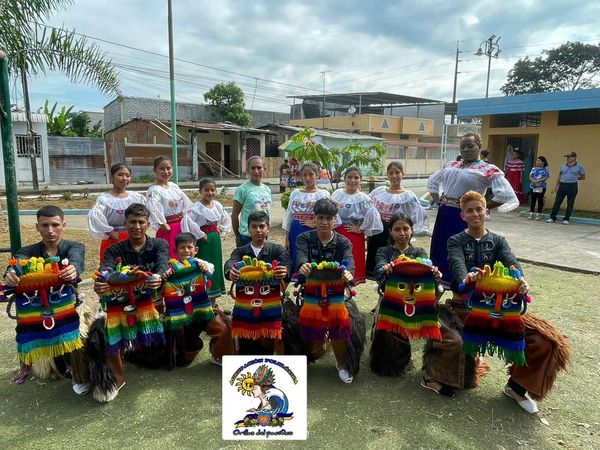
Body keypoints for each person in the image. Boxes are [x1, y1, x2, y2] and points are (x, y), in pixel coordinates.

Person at [422, 191, 570, 413]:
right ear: (462, 215)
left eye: (479, 209)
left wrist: (520, 280)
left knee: (544, 341)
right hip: (463, 310)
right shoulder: (455, 241)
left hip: (500, 310)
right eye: (469, 210)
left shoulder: (499, 241)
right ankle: (433, 376)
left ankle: (516, 387)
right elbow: (456, 263)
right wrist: (467, 279)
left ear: (487, 212)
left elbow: (512, 263)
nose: (475, 214)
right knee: (455, 341)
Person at [3, 205, 88, 391]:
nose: (50, 230)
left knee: (78, 334)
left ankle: (78, 370)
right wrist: (11, 273)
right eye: (45, 225)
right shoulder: (27, 251)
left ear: (63, 226)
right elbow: (16, 264)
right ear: (37, 227)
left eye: (55, 225)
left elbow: (76, 262)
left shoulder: (75, 246)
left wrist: (73, 269)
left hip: (69, 308)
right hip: (37, 309)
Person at [91, 203, 168, 402]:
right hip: (121, 306)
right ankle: (116, 377)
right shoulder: (113, 250)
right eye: (132, 222)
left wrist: (159, 277)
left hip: (153, 305)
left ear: (148, 224)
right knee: (104, 331)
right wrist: (100, 283)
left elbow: (163, 265)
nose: (137, 226)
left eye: (141, 222)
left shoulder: (159, 244)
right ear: (125, 223)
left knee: (163, 358)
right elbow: (105, 270)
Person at [427, 132, 519, 288]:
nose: (466, 149)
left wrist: (479, 208)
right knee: (440, 250)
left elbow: (505, 194)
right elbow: (433, 182)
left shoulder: (488, 169)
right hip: (444, 215)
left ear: (479, 147)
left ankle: (462, 289)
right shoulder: (451, 165)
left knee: (462, 253)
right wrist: (437, 200)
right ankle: (437, 287)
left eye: (470, 146)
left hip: (465, 218)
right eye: (463, 147)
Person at [292, 198, 366, 384]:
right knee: (308, 334)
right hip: (310, 294)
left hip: (337, 295)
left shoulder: (344, 242)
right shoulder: (303, 238)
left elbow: (350, 263)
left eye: (329, 218)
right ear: (315, 219)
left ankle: (342, 363)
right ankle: (314, 349)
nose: (325, 222)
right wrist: (302, 266)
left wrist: (349, 274)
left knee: (340, 325)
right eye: (321, 218)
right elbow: (300, 259)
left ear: (335, 220)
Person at [370, 213, 441, 377]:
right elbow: (378, 270)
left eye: (405, 229)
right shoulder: (384, 251)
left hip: (413, 301)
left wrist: (434, 273)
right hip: (389, 299)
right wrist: (386, 269)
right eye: (397, 229)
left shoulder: (419, 252)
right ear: (390, 232)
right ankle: (382, 363)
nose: (402, 233)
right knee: (384, 330)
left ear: (412, 230)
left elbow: (427, 270)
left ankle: (402, 361)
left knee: (403, 330)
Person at [161, 232, 234, 368]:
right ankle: (189, 349)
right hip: (182, 314)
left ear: (196, 250)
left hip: (203, 310)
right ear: (175, 251)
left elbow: (210, 270)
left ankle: (219, 354)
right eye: (182, 248)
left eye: (189, 247)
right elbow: (163, 285)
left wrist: (205, 269)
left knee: (223, 330)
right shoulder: (171, 269)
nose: (186, 251)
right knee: (186, 353)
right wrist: (164, 277)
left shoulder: (202, 264)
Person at [224, 211, 292, 355]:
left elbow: (287, 264)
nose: (258, 230)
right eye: (254, 226)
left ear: (268, 228)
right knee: (246, 345)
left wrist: (284, 271)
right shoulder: (240, 251)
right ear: (248, 229)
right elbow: (230, 262)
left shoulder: (278, 250)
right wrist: (230, 271)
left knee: (273, 342)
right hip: (246, 308)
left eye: (262, 226)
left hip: (271, 307)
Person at [366, 162, 428, 279]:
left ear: (402, 174)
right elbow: (366, 206)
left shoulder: (408, 196)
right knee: (379, 261)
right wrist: (362, 225)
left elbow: (418, 214)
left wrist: (406, 228)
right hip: (379, 231)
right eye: (391, 173)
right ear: (387, 175)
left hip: (397, 231)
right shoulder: (379, 191)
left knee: (396, 258)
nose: (394, 176)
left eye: (397, 172)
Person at [331, 167, 383, 284]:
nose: (353, 180)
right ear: (344, 179)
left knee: (351, 264)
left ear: (360, 180)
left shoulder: (363, 198)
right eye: (349, 177)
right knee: (336, 262)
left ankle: (349, 292)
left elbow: (373, 214)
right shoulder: (337, 194)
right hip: (336, 232)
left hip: (354, 235)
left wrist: (361, 228)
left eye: (356, 177)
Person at [146, 155, 204, 258]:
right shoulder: (154, 190)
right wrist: (162, 223)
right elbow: (152, 207)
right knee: (172, 255)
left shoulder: (174, 186)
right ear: (155, 170)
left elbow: (186, 203)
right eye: (162, 169)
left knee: (184, 254)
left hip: (181, 225)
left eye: (168, 168)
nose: (166, 172)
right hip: (168, 228)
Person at [88, 163, 145, 260]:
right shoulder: (104, 199)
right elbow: (96, 218)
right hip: (114, 239)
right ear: (112, 177)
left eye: (127, 175)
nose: (124, 178)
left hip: (134, 237)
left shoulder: (136, 197)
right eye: (120, 175)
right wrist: (110, 232)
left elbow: (145, 215)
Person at [188, 177, 232, 301]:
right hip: (203, 242)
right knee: (204, 266)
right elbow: (188, 223)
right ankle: (203, 299)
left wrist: (221, 229)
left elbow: (225, 219)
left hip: (215, 241)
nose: (210, 193)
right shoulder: (196, 208)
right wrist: (200, 234)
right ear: (200, 191)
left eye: (212, 190)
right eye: (206, 190)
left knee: (215, 265)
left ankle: (214, 301)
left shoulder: (217, 205)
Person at [282, 162, 334, 265]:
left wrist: (315, 224)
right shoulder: (295, 193)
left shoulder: (323, 194)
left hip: (314, 231)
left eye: (311, 174)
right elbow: (289, 215)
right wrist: (287, 238)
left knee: (313, 257)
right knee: (296, 256)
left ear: (317, 175)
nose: (308, 178)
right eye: (304, 175)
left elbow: (331, 215)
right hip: (296, 229)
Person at [232, 156, 272, 246]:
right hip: (247, 237)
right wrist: (237, 236)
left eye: (259, 167)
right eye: (253, 168)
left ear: (264, 169)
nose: (256, 171)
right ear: (248, 170)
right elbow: (234, 215)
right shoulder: (242, 189)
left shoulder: (267, 189)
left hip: (263, 235)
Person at [546, 152, 586, 225]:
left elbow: (583, 177)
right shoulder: (563, 166)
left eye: (569, 157)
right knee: (557, 202)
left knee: (570, 203)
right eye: (567, 157)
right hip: (562, 185)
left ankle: (566, 219)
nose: (567, 158)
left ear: (574, 158)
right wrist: (555, 187)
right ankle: (552, 217)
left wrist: (574, 178)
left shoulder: (579, 167)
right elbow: (559, 177)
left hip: (572, 185)